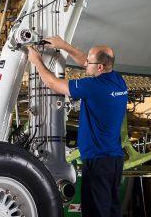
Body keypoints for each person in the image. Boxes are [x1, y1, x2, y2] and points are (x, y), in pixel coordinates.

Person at [27, 36, 127, 217]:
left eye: (90, 61)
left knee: (96, 213)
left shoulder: (93, 86)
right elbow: (85, 62)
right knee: (112, 210)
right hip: (114, 161)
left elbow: (53, 83)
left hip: (98, 162)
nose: (85, 62)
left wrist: (37, 61)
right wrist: (64, 46)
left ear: (100, 67)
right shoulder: (117, 80)